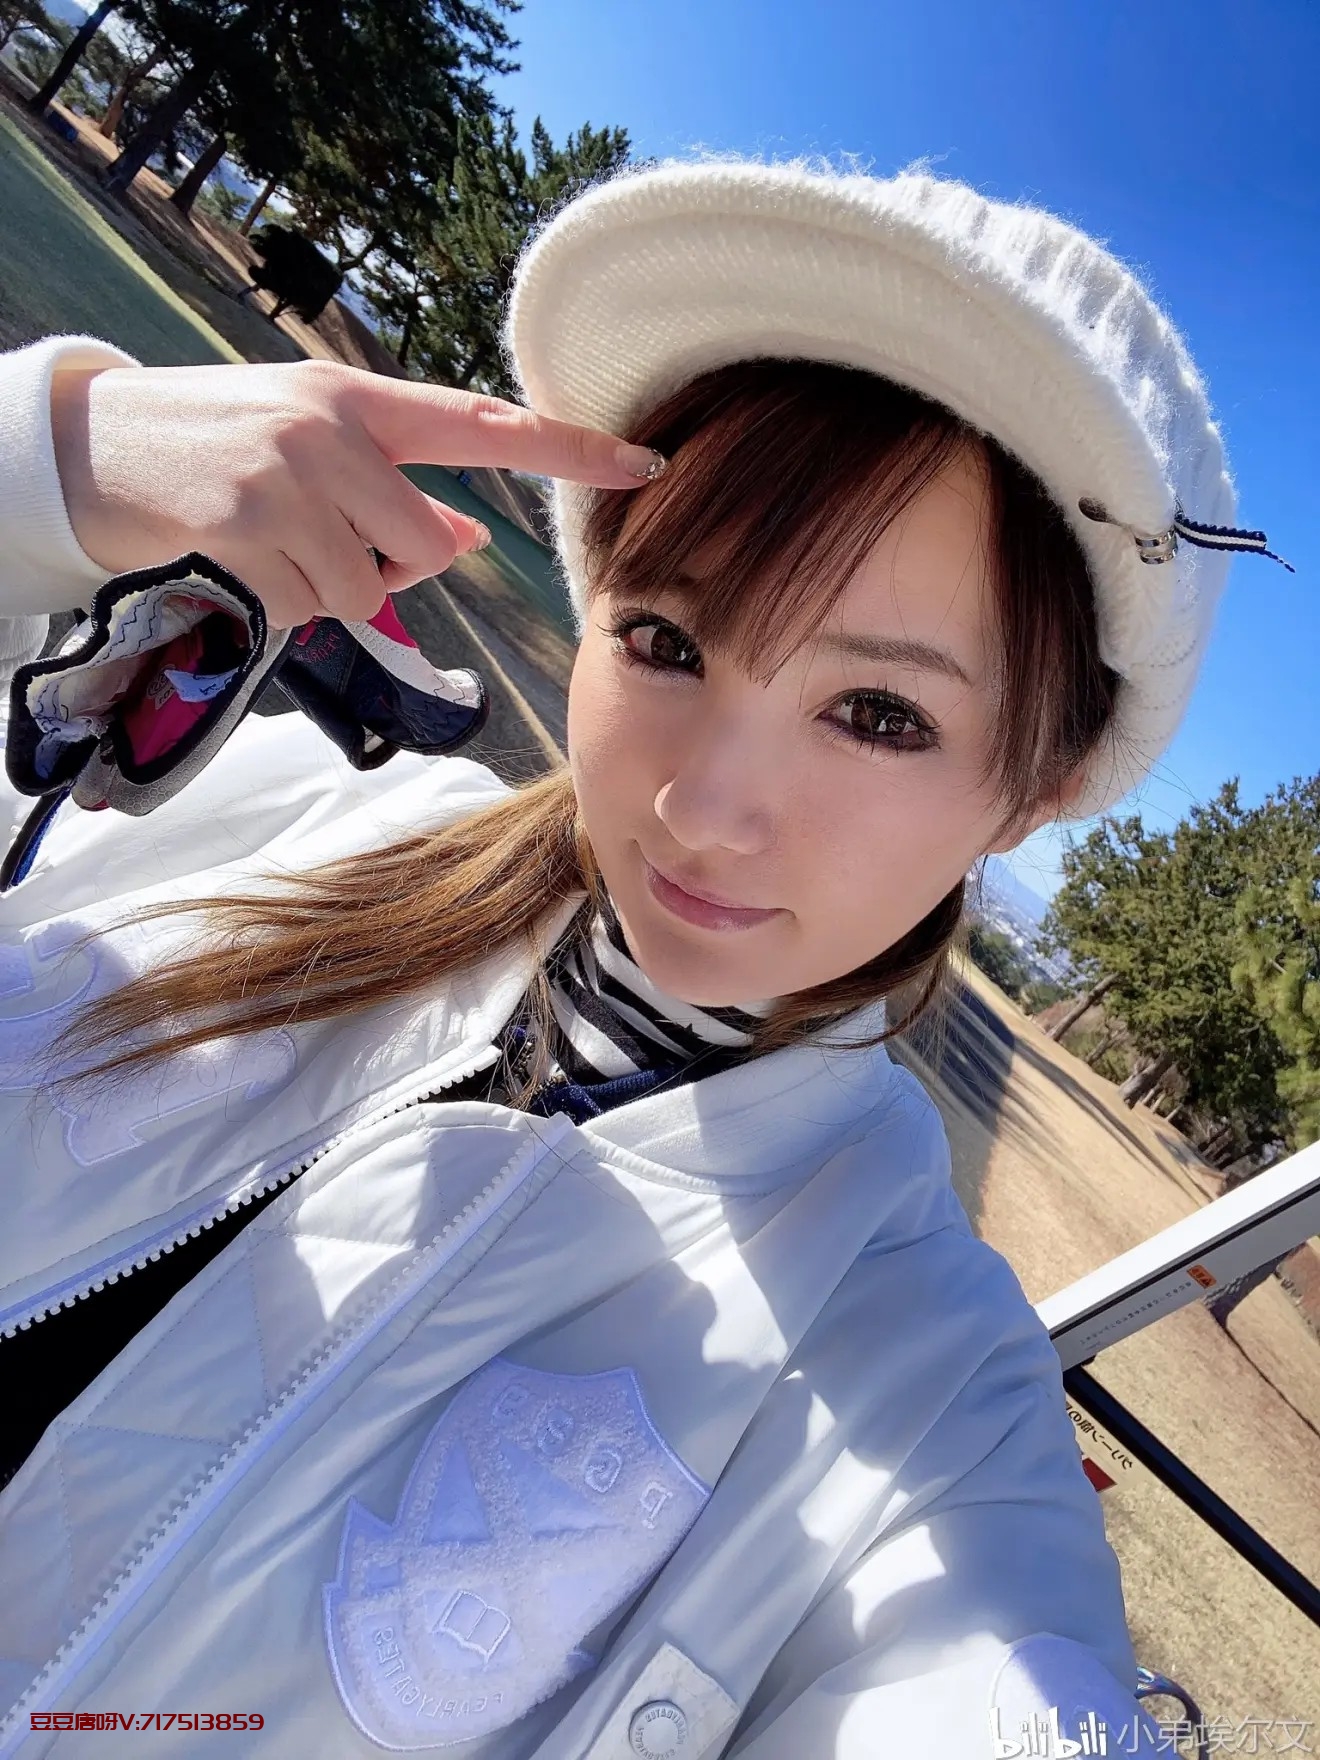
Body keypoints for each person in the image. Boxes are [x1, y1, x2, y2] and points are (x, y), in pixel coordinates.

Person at [0, 156, 1281, 1758]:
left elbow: (982, 1677)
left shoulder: (922, 1385)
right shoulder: (270, 810)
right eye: (667, 640)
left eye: (878, 714)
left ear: (1039, 792)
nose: (702, 808)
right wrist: (44, 466)